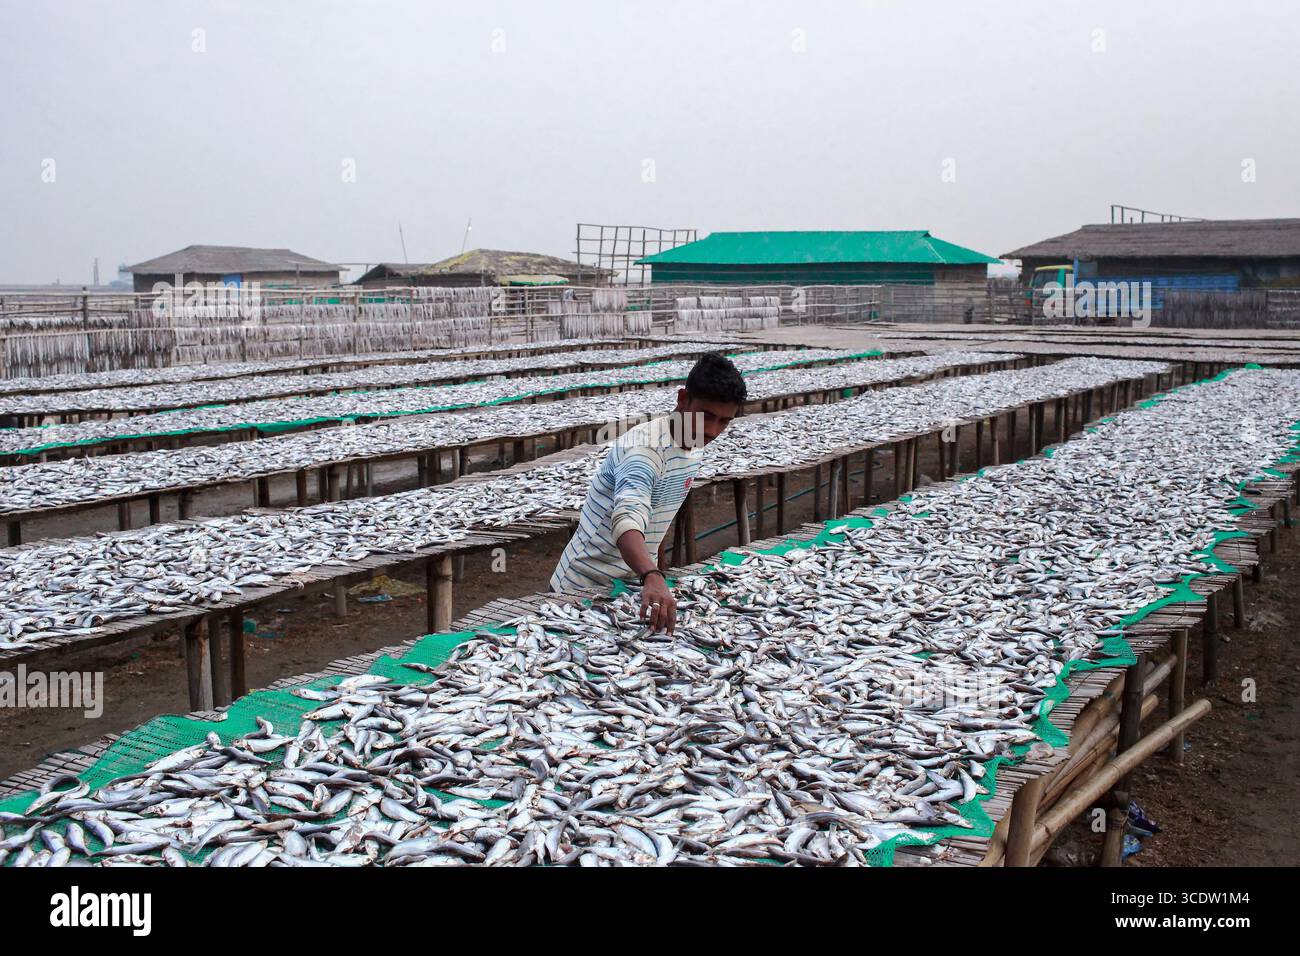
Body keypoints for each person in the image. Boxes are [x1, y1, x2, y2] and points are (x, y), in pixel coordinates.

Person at [549, 351, 747, 632]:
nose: (713, 430)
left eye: (724, 421)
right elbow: (627, 518)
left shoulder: (693, 443)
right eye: (706, 416)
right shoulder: (645, 450)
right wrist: (651, 575)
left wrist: (654, 572)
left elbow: (655, 516)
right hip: (580, 588)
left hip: (630, 588)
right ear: (682, 399)